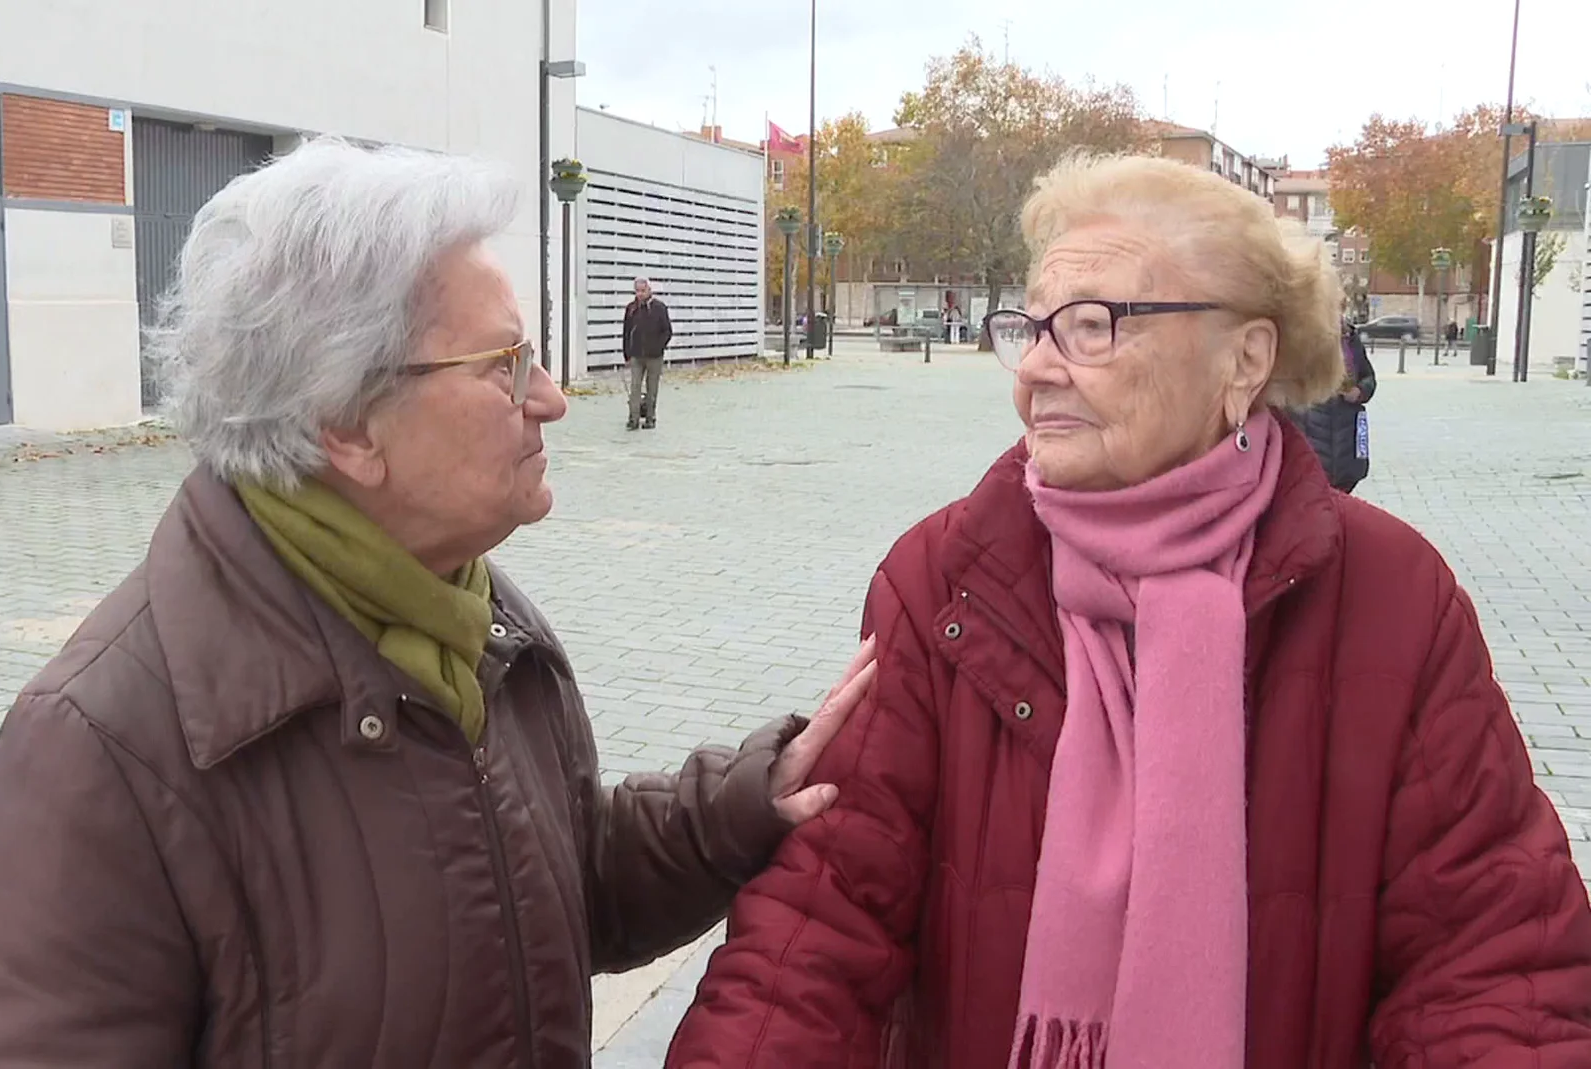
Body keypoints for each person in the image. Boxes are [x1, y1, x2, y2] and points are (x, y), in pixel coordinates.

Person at [0, 138, 875, 1068]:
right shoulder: (102, 747)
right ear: (346, 424)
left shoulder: (482, 622)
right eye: (505, 365)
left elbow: (561, 884)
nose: (551, 399)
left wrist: (738, 805)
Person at [669, 154, 1591, 1067]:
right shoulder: (942, 578)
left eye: (1091, 325)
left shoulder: (1393, 596)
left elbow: (1495, 971)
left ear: (1245, 358)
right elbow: (819, 926)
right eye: (1032, 326)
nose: (1036, 369)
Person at [1295, 318, 1376, 494]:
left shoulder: (1350, 338)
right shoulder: (1302, 337)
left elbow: (1368, 377)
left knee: (1343, 486)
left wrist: (1360, 391)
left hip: (1347, 428)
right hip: (1313, 423)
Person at [623, 276, 673, 430]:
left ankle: (650, 418)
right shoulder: (631, 308)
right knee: (635, 387)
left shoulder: (659, 308)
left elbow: (667, 331)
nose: (640, 294)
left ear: (649, 290)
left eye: (642, 291)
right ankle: (633, 419)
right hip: (636, 355)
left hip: (654, 356)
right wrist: (627, 353)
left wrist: (659, 347)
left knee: (652, 388)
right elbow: (626, 332)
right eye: (637, 291)